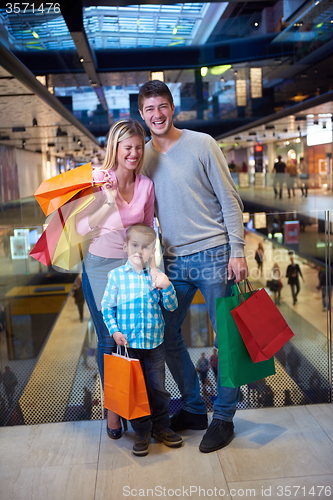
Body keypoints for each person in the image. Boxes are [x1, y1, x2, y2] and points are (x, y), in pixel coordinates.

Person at [138, 80, 248, 454]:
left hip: (215, 254)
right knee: (165, 335)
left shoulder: (203, 143)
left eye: (162, 106)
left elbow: (230, 201)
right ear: (142, 114)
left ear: (173, 108)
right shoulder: (145, 158)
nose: (157, 114)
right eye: (150, 109)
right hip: (172, 261)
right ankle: (195, 407)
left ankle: (224, 418)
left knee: (226, 338)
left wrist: (239, 251)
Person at [76, 119, 155, 439]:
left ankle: (136, 405)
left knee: (132, 336)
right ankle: (112, 411)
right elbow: (82, 228)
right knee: (108, 338)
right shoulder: (99, 179)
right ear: (116, 148)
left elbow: (148, 231)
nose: (134, 153)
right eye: (127, 148)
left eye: (138, 147)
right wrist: (107, 202)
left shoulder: (147, 185)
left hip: (131, 270)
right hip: (98, 267)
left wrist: (150, 268)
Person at [101, 224, 183, 457]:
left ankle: (162, 427)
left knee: (158, 389)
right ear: (125, 246)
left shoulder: (155, 276)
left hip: (155, 344)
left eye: (145, 247)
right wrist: (115, 331)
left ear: (152, 251)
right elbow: (107, 308)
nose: (139, 251)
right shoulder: (116, 276)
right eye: (135, 245)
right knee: (135, 390)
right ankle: (142, 432)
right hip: (129, 347)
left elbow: (171, 306)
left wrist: (166, 286)